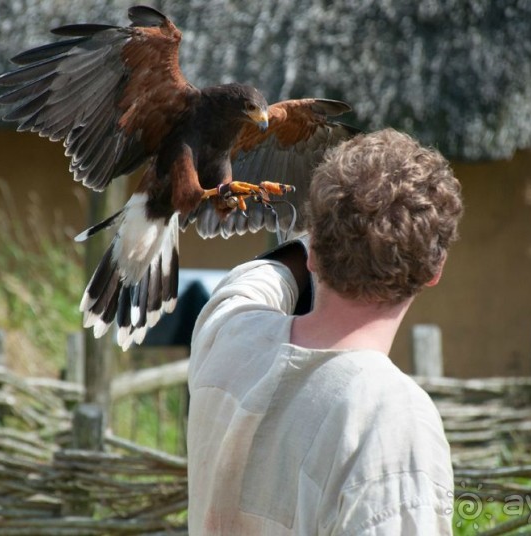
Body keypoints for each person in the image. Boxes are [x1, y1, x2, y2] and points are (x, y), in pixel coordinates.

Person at [187, 128, 464, 535]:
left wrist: (318, 238)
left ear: (313, 249)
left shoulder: (229, 335)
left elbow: (251, 280)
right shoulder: (390, 417)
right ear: (435, 270)